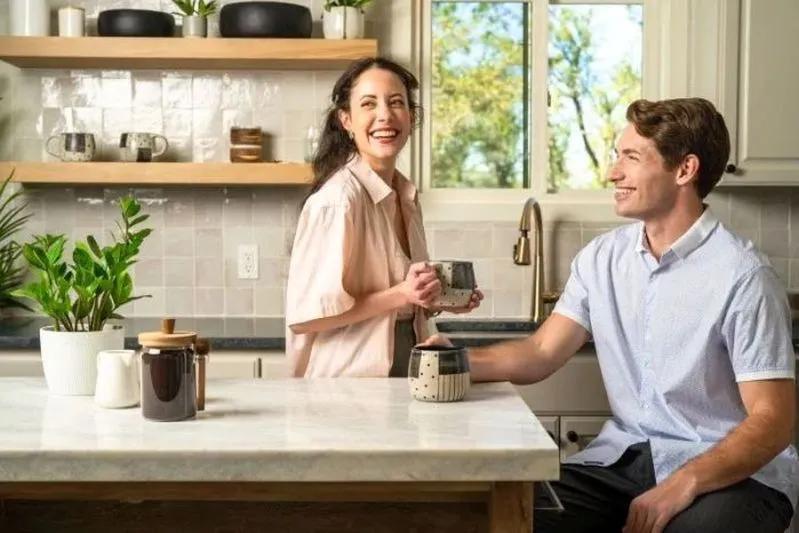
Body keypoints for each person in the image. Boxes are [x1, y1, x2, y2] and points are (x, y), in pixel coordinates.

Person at [426, 98, 797, 532]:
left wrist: (685, 482)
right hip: (621, 462)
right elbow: (542, 351)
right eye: (616, 156)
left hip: (728, 476)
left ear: (685, 170)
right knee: (512, 517)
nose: (613, 173)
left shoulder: (744, 276)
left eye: (631, 158)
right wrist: (456, 360)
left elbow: (773, 422)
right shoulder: (602, 258)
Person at [285, 57, 482, 378]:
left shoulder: (405, 196)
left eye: (396, 103)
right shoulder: (337, 201)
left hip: (404, 368)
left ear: (411, 116)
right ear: (346, 120)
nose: (384, 116)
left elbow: (400, 298)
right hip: (345, 385)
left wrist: (438, 298)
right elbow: (305, 317)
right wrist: (402, 293)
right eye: (368, 104)